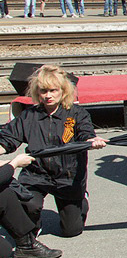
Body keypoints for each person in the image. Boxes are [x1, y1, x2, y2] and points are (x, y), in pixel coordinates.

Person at [0, 65, 108, 237]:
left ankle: (81, 199)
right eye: (43, 91)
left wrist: (92, 140)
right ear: (37, 92)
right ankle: (33, 226)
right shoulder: (29, 115)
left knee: (72, 231)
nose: (48, 95)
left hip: (68, 176)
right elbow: (8, 138)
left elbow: (86, 134)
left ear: (63, 90)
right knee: (26, 203)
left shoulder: (77, 114)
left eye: (53, 90)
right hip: (36, 174)